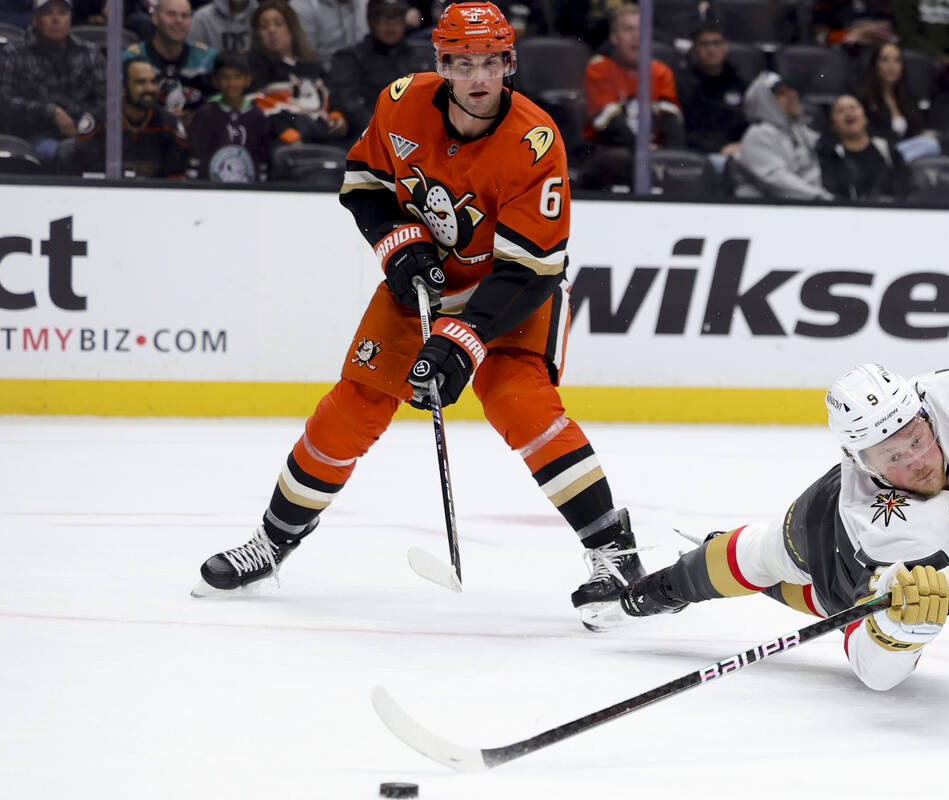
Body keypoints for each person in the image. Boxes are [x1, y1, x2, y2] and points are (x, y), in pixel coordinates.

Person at [193, 1, 647, 632]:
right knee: (350, 408)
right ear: (443, 65)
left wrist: (461, 342)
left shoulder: (535, 140)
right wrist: (400, 248)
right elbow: (363, 183)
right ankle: (271, 543)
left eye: (491, 61)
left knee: (523, 406)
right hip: (423, 288)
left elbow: (530, 269)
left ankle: (614, 554)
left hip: (511, 293)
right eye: (463, 63)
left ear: (509, 63)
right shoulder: (400, 103)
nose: (479, 77)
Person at [616, 363, 949, 691]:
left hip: (926, 555)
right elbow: (873, 671)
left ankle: (756, 584)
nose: (919, 464)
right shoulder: (877, 524)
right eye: (891, 458)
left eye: (916, 440)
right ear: (861, 462)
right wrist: (896, 633)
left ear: (924, 414)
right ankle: (660, 590)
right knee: (763, 557)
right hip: (829, 533)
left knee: (794, 587)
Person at [580, 2, 684, 190]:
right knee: (619, 159)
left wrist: (669, 154)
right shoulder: (599, 68)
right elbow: (609, 124)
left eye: (641, 29)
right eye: (629, 29)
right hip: (607, 151)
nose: (637, 36)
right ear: (614, 37)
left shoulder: (660, 71)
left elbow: (672, 122)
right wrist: (642, 149)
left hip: (653, 151)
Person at [0, 0, 105, 164]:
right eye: (48, 13)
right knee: (65, 153)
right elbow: (1, 101)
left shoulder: (90, 52)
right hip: (31, 137)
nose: (56, 19)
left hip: (84, 134)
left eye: (62, 13)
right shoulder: (13, 53)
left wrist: (80, 125)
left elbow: (106, 100)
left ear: (71, 17)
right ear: (35, 19)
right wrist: (51, 112)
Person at [247, 0, 348, 146]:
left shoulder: (312, 65)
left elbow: (332, 98)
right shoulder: (255, 68)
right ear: (257, 34)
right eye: (264, 27)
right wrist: (284, 131)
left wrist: (337, 117)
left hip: (323, 136)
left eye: (278, 24)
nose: (271, 31)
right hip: (280, 141)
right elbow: (254, 105)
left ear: (292, 28)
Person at [70, 58, 190, 177]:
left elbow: (177, 175)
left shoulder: (169, 123)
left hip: (156, 194)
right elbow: (85, 172)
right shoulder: (97, 121)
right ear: (122, 88)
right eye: (141, 82)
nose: (149, 88)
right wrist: (129, 172)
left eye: (153, 82)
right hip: (108, 193)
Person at [328, 0, 420, 142]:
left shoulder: (419, 56)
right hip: (368, 138)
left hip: (416, 135)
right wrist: (382, 129)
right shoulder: (350, 58)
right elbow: (347, 103)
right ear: (371, 20)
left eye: (397, 17)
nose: (390, 24)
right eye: (383, 17)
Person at [733, 71, 831, 201]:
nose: (792, 95)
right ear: (764, 102)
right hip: (763, 211)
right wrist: (819, 196)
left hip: (803, 206)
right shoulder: (758, 134)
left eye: (791, 90)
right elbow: (778, 180)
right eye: (782, 94)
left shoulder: (798, 131)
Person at [123, 0, 217, 124]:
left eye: (185, 16)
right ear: (155, 18)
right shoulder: (132, 58)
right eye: (171, 14)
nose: (179, 21)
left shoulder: (207, 58)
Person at [187, 51, 272, 181]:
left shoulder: (257, 115)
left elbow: (262, 159)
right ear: (215, 81)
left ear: (247, 80)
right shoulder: (206, 114)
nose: (231, 83)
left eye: (237, 77)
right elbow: (195, 156)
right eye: (225, 77)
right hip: (212, 192)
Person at [675, 22, 749, 159]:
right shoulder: (683, 85)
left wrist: (742, 145)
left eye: (717, 43)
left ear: (726, 47)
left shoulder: (740, 82)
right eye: (704, 44)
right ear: (694, 50)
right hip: (700, 154)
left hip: (740, 151)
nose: (711, 49)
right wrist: (719, 148)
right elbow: (684, 131)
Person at [819, 93, 910, 201]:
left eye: (853, 108)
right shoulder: (832, 158)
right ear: (833, 125)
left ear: (865, 117)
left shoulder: (888, 151)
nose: (848, 113)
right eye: (840, 111)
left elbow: (906, 189)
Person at [856, 41, 931, 144]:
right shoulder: (864, 99)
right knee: (929, 144)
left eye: (897, 60)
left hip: (907, 152)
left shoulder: (908, 97)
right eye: (885, 60)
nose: (892, 66)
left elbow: (917, 128)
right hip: (881, 152)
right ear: (875, 64)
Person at [289, 0, 367, 69]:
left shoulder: (368, 3)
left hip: (366, 74)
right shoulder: (303, 5)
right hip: (323, 76)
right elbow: (305, 58)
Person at [811, 0, 895, 49]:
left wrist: (864, 31)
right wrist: (850, 35)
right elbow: (821, 38)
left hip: (877, 53)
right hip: (838, 54)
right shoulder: (826, 3)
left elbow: (890, 29)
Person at [189, 0, 258, 54]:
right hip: (212, 69)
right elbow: (195, 46)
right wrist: (210, 52)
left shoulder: (260, 16)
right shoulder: (202, 17)